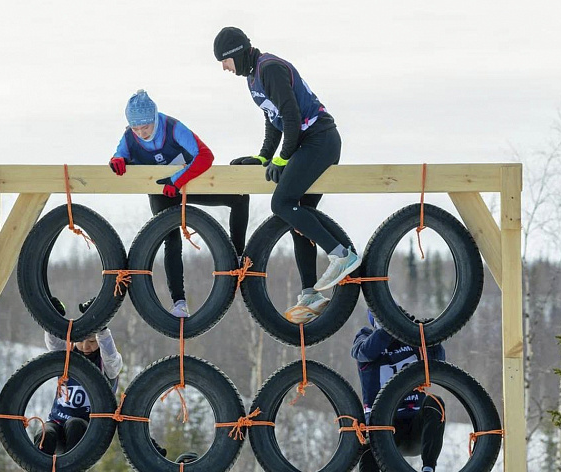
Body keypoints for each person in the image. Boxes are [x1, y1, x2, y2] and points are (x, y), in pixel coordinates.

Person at [213, 27, 361, 324]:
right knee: (298, 216)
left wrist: (281, 159)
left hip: (320, 140)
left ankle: (341, 254)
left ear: (235, 53)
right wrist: (263, 157)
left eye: (224, 61)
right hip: (306, 143)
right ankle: (311, 294)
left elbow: (292, 118)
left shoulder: (270, 69)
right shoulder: (253, 77)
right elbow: (275, 121)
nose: (224, 69)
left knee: (281, 204)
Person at [110, 90, 250, 318]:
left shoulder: (173, 128)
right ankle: (179, 303)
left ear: (154, 118)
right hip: (161, 192)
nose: (141, 133)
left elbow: (205, 155)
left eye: (145, 127)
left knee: (240, 197)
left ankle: (237, 262)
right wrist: (118, 161)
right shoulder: (130, 136)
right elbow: (119, 154)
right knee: (171, 239)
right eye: (135, 129)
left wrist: (177, 180)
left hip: (185, 184)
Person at [351, 310, 446, 472]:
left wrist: (430, 336)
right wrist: (388, 329)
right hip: (383, 429)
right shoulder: (365, 337)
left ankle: (429, 468)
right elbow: (364, 353)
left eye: (395, 318)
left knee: (435, 402)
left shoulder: (412, 340)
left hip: (415, 427)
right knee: (369, 442)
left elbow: (438, 362)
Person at [32, 297, 125, 455]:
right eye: (80, 341)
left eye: (92, 342)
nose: (85, 346)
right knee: (44, 434)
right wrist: (53, 317)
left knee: (75, 424)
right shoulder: (68, 356)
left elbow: (112, 356)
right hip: (57, 423)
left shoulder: (106, 365)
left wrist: (101, 327)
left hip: (87, 430)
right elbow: (53, 343)